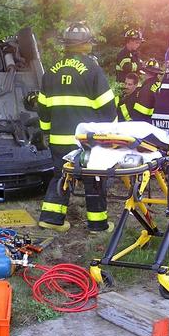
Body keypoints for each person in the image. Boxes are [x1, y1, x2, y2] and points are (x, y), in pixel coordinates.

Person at [38, 22, 116, 233]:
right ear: (86, 44)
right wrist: (109, 135)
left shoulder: (50, 72)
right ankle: (98, 224)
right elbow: (108, 108)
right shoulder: (92, 70)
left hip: (58, 139)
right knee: (94, 176)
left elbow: (43, 108)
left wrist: (46, 131)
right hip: (85, 140)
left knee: (60, 175)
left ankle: (51, 219)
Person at [130, 58, 164, 123]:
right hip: (158, 121)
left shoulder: (146, 89)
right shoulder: (159, 84)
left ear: (146, 72)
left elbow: (140, 112)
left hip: (145, 123)